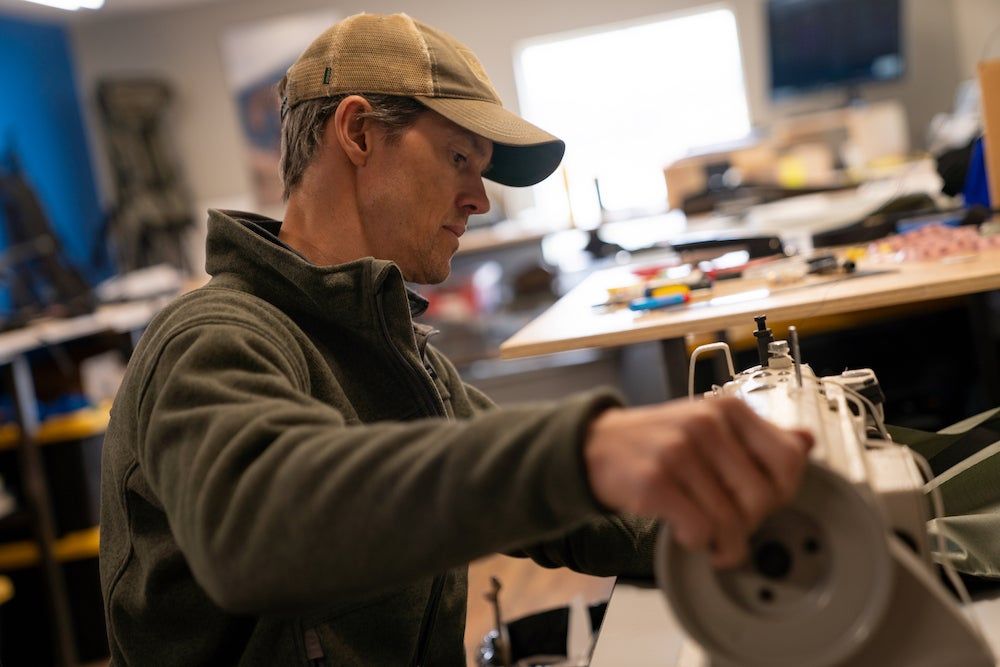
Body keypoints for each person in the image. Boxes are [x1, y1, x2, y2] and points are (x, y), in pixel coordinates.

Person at [99, 13, 812, 666]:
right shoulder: (212, 340)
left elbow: (574, 515)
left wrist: (742, 519)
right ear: (357, 132)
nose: (480, 199)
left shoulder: (395, 355)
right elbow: (255, 527)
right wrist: (585, 451)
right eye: (459, 159)